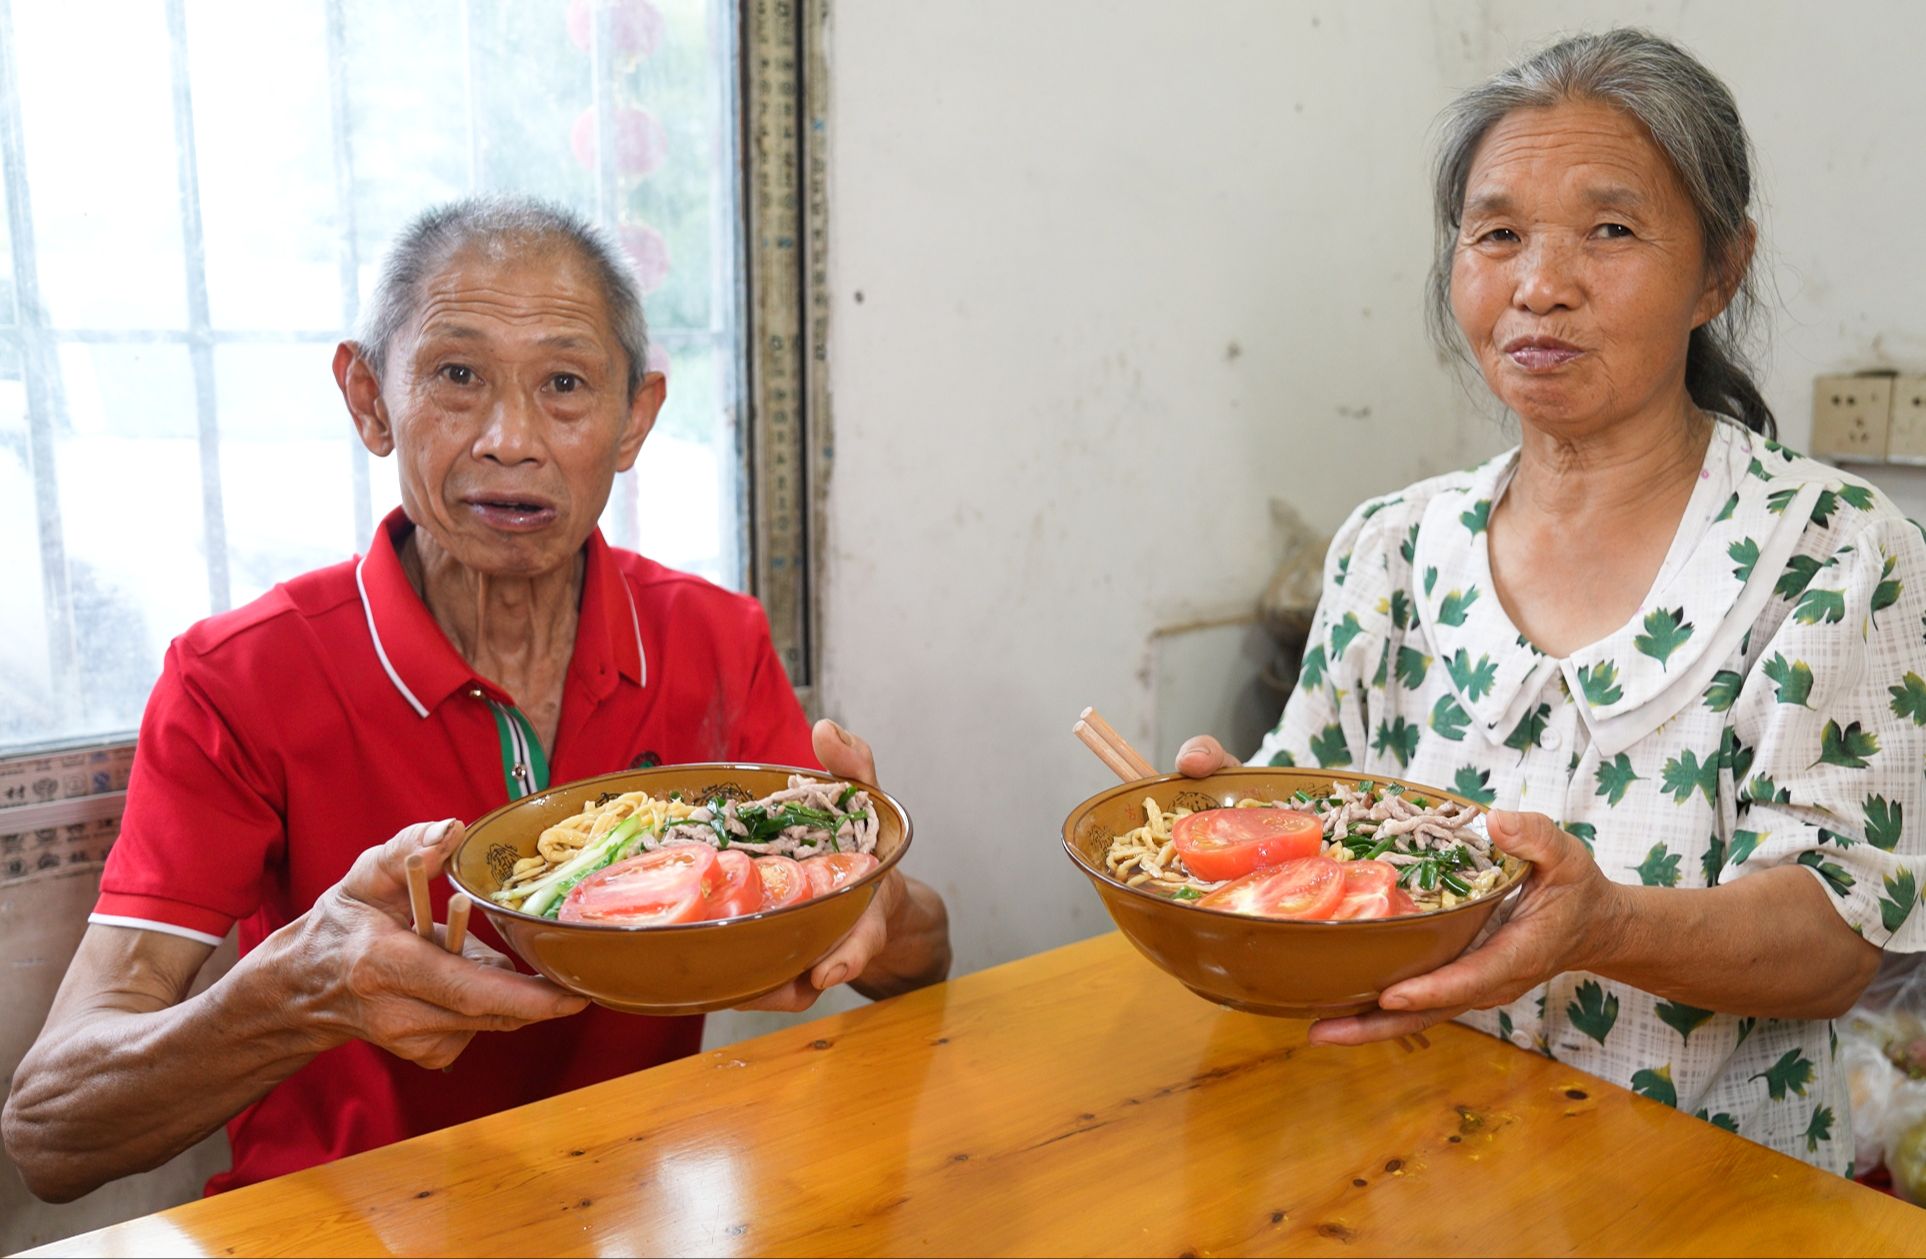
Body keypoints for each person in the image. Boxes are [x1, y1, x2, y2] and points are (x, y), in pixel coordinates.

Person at [2, 198, 951, 1202]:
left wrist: (869, 896)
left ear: (635, 418)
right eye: (457, 376)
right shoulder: (234, 679)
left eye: (566, 385)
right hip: (341, 1222)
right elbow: (52, 1131)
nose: (511, 439)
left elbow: (922, 958)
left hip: (634, 1208)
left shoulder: (713, 639)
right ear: (369, 399)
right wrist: (293, 995)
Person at [1178, 29, 1924, 1173]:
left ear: (1720, 270)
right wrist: (1225, 837)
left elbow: (1837, 942)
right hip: (1400, 1171)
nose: (1538, 284)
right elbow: (1315, 846)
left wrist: (1605, 923)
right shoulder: (1390, 549)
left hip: (1710, 1196)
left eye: (1610, 230)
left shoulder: (1836, 553)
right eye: (1497, 233)